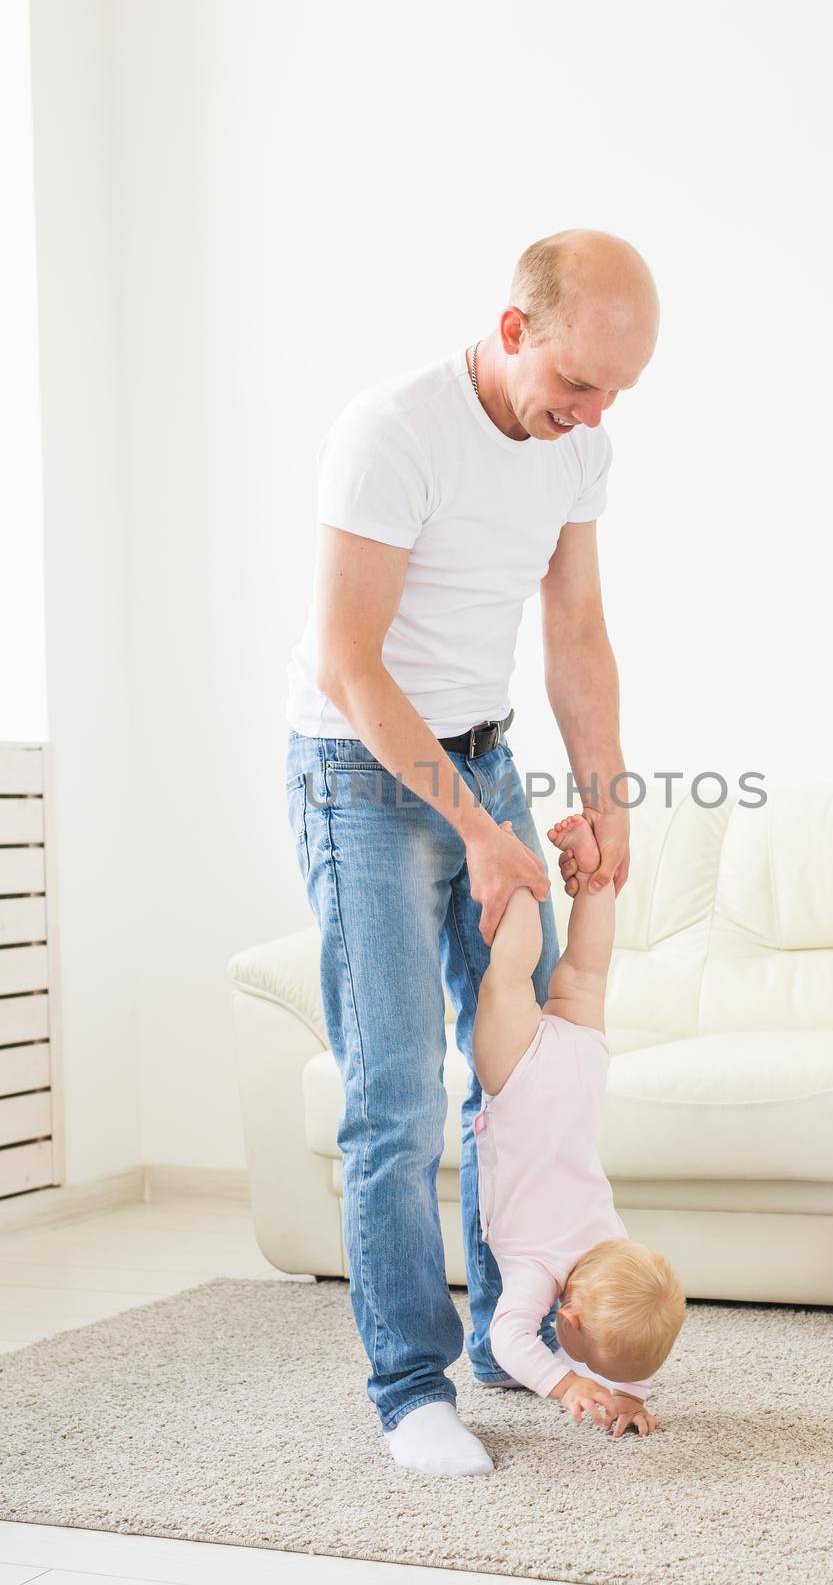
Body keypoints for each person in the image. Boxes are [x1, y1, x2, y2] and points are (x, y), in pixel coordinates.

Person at [284, 227, 659, 1476]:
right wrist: (481, 831)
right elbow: (349, 662)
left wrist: (601, 799)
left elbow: (577, 627)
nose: (593, 413)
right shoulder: (392, 433)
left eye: (614, 393)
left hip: (481, 757)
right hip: (361, 770)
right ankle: (410, 1384)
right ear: (513, 332)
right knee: (393, 1095)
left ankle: (512, 1341)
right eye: (575, 386)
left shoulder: (579, 446)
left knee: (511, 1074)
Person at [474, 811, 686, 1438]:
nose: (587, 1366)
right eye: (580, 1351)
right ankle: (516, 870)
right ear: (564, 1317)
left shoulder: (616, 1244)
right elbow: (509, 1338)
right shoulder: (540, 1269)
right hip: (520, 1082)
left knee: (586, 970)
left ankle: (593, 879)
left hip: (580, 1069)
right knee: (506, 980)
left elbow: (637, 1323)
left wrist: (633, 1396)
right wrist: (565, 1381)